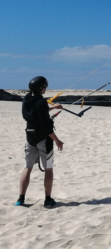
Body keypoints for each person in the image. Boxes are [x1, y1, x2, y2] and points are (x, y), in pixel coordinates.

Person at [15, 76, 64, 207]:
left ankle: (21, 199)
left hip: (30, 138)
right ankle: (48, 199)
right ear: (41, 89)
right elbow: (47, 128)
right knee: (48, 169)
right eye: (44, 87)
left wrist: (53, 108)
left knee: (27, 167)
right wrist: (58, 141)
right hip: (43, 139)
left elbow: (36, 113)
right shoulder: (41, 102)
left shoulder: (26, 100)